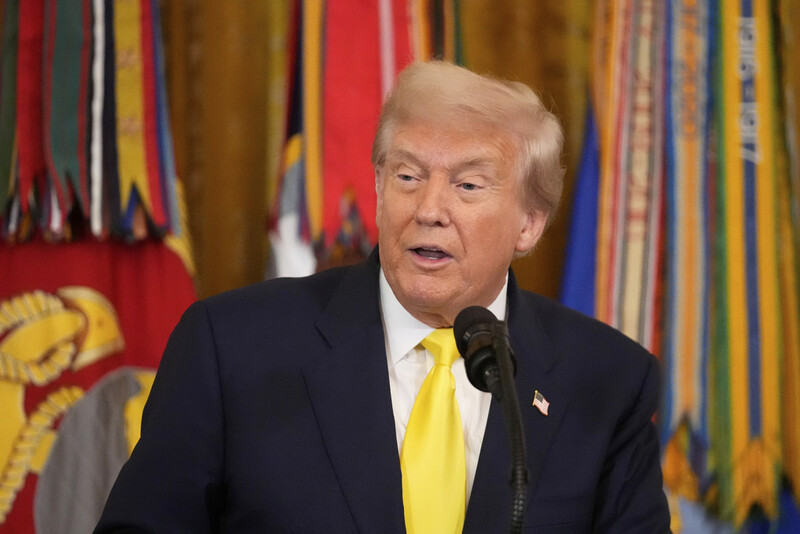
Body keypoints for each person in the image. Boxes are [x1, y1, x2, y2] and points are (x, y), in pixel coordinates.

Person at [95, 60, 670, 533]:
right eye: (408, 176)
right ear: (376, 187)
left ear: (529, 224)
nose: (428, 210)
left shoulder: (608, 381)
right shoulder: (234, 348)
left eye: (467, 185)